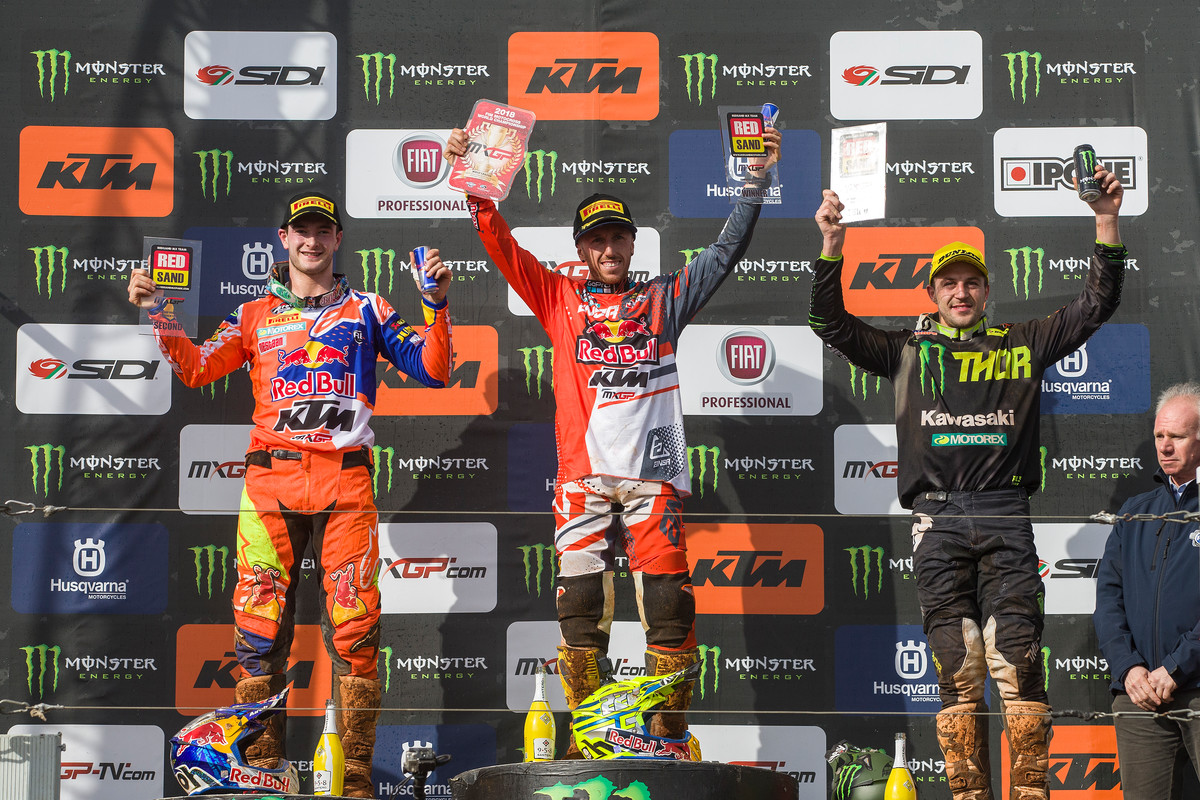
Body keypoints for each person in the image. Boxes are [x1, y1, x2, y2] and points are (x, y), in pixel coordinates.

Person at [444, 125, 780, 755]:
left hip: (655, 474)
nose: (608, 249)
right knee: (579, 609)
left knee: (669, 605)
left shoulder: (664, 299)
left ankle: (670, 733)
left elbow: (727, 250)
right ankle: (591, 735)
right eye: (596, 240)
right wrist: (476, 189)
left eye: (617, 237)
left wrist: (755, 184)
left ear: (632, 243)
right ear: (582, 248)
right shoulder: (557, 297)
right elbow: (502, 248)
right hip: (583, 478)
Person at [810, 164, 1125, 800]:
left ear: (986, 292)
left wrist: (1105, 219)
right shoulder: (907, 351)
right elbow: (831, 325)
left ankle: (1031, 791)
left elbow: (1098, 303)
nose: (960, 292)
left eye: (971, 282)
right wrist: (831, 247)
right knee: (956, 669)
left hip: (1006, 512)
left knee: (1019, 660)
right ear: (932, 294)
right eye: (948, 283)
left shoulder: (1024, 340)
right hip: (937, 520)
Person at [128, 192, 453, 798]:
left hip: (345, 479)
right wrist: (160, 312)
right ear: (283, 238)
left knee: (357, 634)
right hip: (270, 483)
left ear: (337, 240)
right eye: (302, 230)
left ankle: (354, 783)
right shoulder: (253, 314)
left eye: (323, 231)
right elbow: (198, 369)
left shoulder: (370, 309)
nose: (312, 241)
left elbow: (433, 369)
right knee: (257, 636)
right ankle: (262, 775)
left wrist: (436, 305)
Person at [1094, 383, 1200, 799]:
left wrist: (1176, 667)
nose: (1165, 446)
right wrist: (1129, 669)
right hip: (1139, 697)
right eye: (1159, 436)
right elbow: (1108, 598)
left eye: (1177, 436)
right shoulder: (1134, 510)